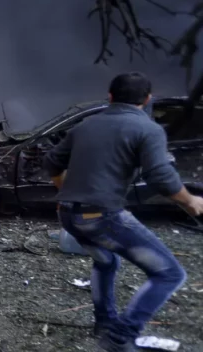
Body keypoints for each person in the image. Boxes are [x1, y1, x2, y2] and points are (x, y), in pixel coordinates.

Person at [44, 72, 203, 352]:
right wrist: (190, 201)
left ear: (110, 97)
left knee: (106, 262)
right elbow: (160, 176)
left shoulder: (86, 125)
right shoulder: (148, 129)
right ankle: (119, 338)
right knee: (169, 274)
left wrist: (64, 193)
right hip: (102, 217)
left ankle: (104, 323)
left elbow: (52, 162)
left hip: (69, 215)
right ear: (147, 99)